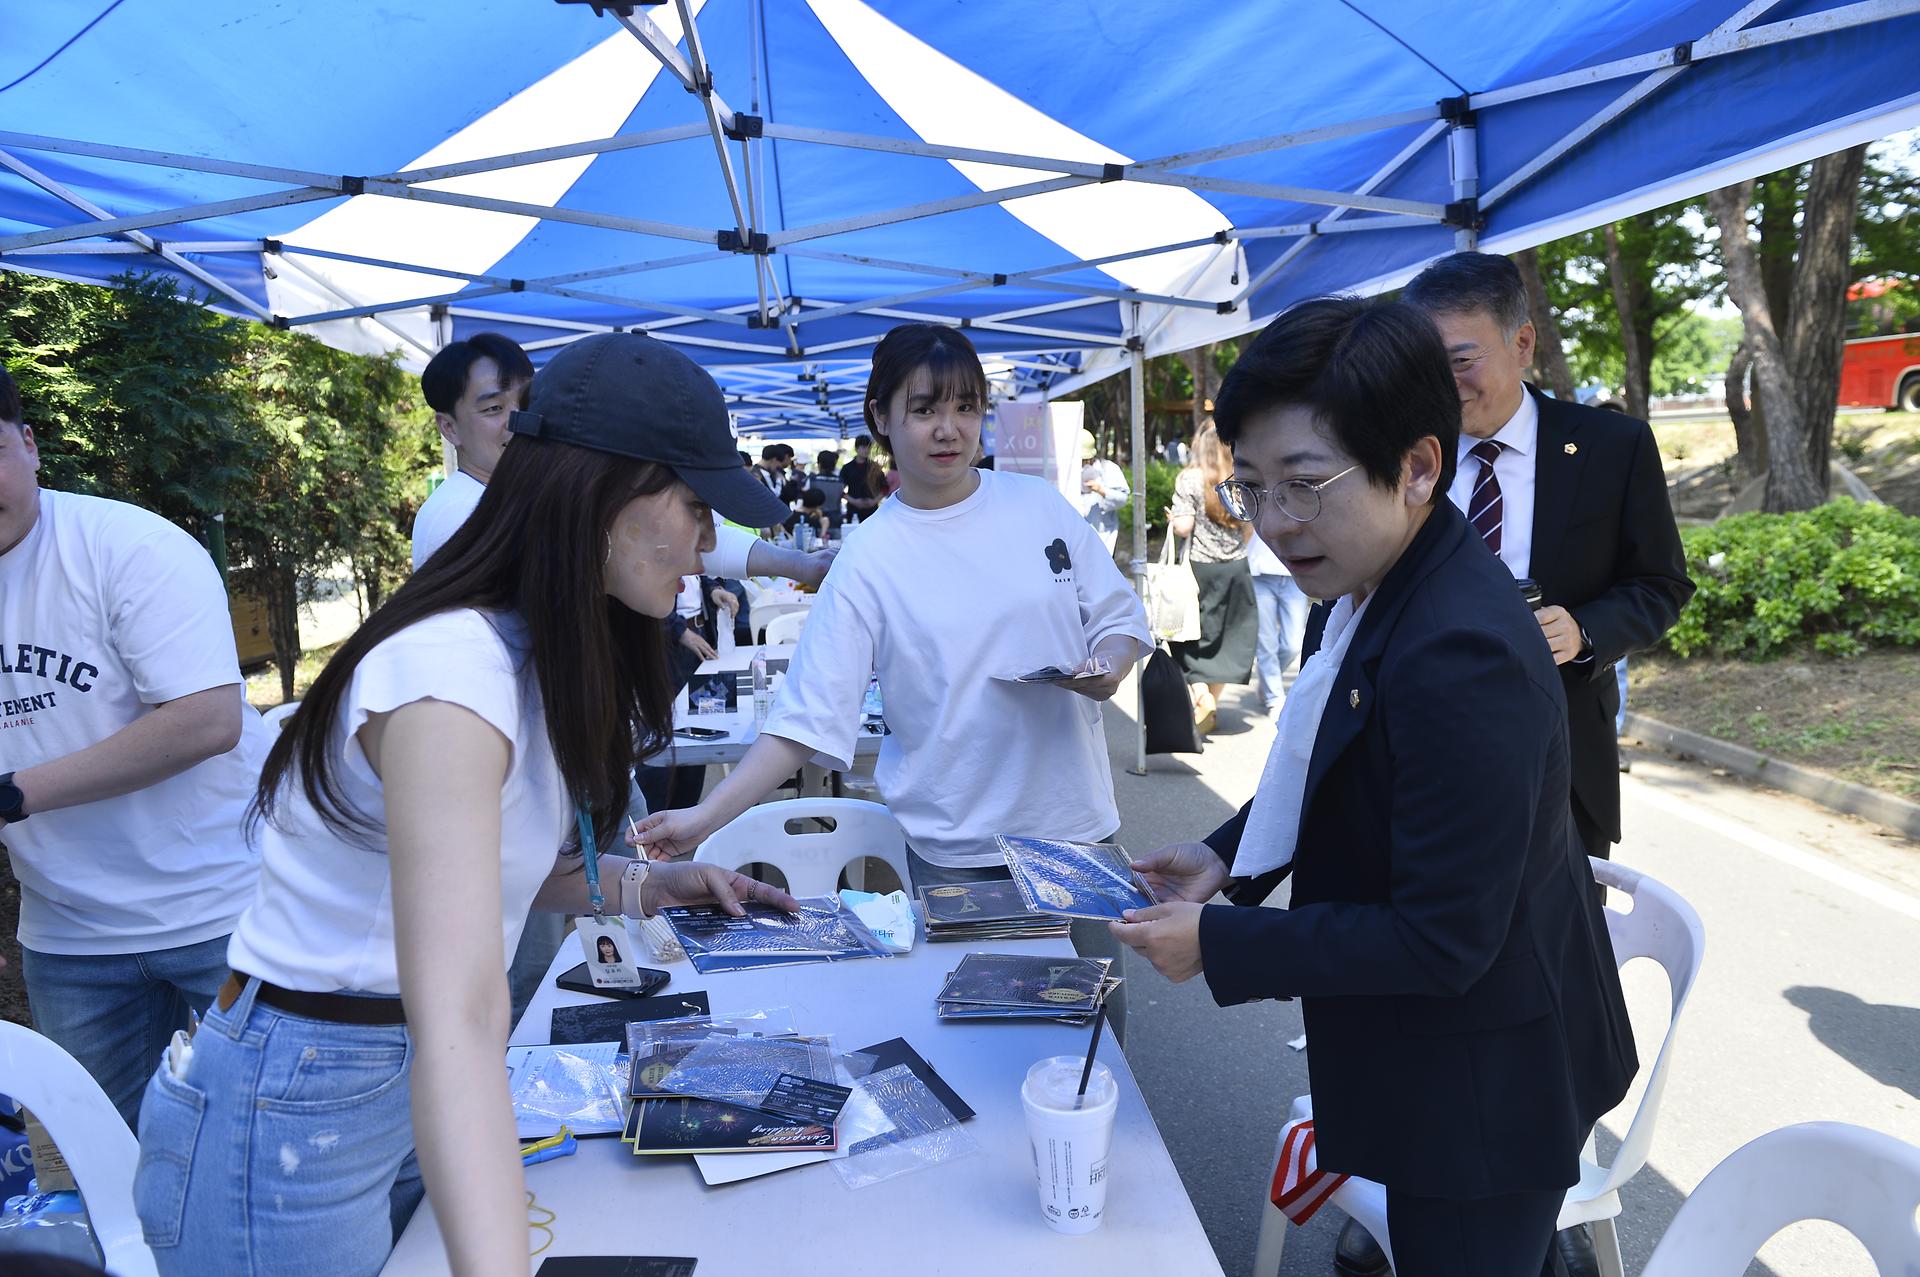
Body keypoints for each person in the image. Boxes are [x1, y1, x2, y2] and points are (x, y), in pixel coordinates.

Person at [131, 333, 797, 1277]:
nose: (705, 542)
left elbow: (523, 872)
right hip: (299, 1102)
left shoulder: (533, 652)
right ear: (602, 495)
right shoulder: (450, 672)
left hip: (385, 1076)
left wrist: (663, 882)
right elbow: (465, 1012)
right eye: (692, 506)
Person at [1109, 298, 1636, 1277]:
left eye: (1307, 484)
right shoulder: (1368, 574)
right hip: (1443, 1045)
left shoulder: (1460, 650)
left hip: (1487, 1081)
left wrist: (1220, 940)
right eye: (1254, 488)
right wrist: (1223, 856)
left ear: (1420, 465)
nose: (1277, 525)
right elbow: (1327, 762)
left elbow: (1441, 938)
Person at [631, 323, 1151, 1000]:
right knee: (990, 1040)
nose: (949, 429)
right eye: (926, 407)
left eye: (965, 407)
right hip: (957, 849)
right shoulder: (868, 559)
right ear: (881, 415)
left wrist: (1110, 662)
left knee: (1093, 1041)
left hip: (1074, 832)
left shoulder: (1040, 507)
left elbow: (1119, 616)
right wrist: (704, 818)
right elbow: (807, 718)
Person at [0, 365, 271, 1130]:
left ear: (29, 444)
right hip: (69, 935)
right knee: (106, 1159)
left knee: (277, 1137)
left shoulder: (127, 546)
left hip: (226, 905)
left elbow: (205, 718)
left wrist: (16, 790)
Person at [1404, 252, 1691, 869]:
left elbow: (1660, 583)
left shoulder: (1612, 447)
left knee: (1556, 949)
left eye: (1460, 361)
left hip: (1560, 750)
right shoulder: (1399, 454)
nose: (1440, 384)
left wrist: (1585, 631)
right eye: (1423, 366)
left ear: (1523, 344)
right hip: (1418, 746)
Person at [409, 333, 535, 570]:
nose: (519, 420)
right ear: (449, 428)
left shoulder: (502, 498)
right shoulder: (458, 514)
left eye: (527, 402)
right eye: (494, 408)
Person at [1169, 422, 1256, 734]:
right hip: (1235, 568)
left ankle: (1201, 696)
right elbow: (1250, 525)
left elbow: (1183, 527)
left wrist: (1173, 517)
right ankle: (1211, 704)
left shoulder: (1189, 478)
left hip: (1199, 569)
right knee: (1228, 640)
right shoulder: (1239, 478)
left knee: (1188, 635)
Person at [1247, 524, 1310, 716]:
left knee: (1294, 644)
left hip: (1295, 574)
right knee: (1266, 642)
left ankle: (1267, 681)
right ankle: (1274, 697)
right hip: (1260, 574)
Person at [1074, 428, 1130, 556]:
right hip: (1073, 541)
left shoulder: (1108, 469)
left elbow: (1123, 498)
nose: (1083, 464)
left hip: (1103, 538)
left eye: (1085, 460)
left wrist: (1101, 490)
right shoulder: (1063, 472)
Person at [840, 433, 882, 520]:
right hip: (853, 509)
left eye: (868, 447)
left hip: (872, 509)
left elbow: (885, 488)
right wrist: (854, 501)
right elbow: (839, 489)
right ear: (856, 448)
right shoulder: (847, 468)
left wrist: (874, 501)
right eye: (863, 447)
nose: (866, 450)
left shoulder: (874, 467)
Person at [811, 450, 845, 530]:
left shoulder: (813, 480)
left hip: (817, 518)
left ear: (819, 464)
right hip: (836, 518)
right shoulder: (840, 481)